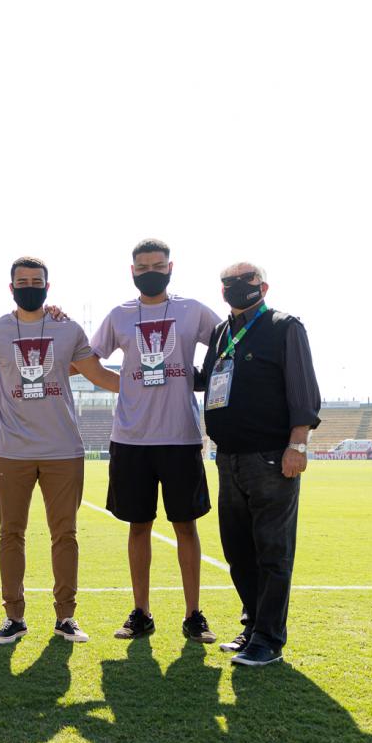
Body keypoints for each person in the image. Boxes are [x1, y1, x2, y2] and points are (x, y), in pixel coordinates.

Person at [0, 256, 118, 645]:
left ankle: (66, 617)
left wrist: (150, 383)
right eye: (23, 281)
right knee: (10, 533)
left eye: (37, 280)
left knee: (64, 533)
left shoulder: (68, 329)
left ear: (48, 287)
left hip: (63, 449)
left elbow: (98, 375)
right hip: (11, 450)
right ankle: (13, 617)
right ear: (11, 287)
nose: (30, 286)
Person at [90, 238, 220, 643]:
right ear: (132, 271)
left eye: (157, 265)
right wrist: (124, 386)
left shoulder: (191, 309)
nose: (150, 271)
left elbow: (226, 342)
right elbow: (88, 358)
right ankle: (141, 612)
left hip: (180, 437)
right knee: (138, 527)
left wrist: (204, 380)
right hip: (131, 439)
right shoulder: (119, 315)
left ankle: (194, 614)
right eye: (142, 266)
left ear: (170, 267)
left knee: (186, 527)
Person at [200, 262, 321, 667]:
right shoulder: (221, 333)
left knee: (272, 550)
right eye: (228, 284)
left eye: (245, 283)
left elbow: (302, 389)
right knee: (238, 550)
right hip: (228, 457)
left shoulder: (285, 327)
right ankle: (253, 624)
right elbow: (205, 379)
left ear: (263, 286)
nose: (235, 289)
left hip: (271, 456)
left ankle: (269, 639)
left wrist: (297, 445)